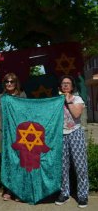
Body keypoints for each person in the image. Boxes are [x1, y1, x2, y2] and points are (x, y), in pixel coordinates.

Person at [55, 75, 89, 209]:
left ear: (72, 86)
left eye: (68, 83)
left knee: (80, 166)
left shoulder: (77, 98)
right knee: (63, 167)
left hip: (75, 133)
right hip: (61, 135)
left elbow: (76, 115)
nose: (65, 85)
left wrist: (68, 101)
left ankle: (82, 195)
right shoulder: (57, 100)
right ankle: (64, 193)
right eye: (63, 83)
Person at [0, 73, 26, 201]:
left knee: (19, 161)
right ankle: (8, 189)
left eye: (12, 81)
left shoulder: (22, 96)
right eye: (7, 82)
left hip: (19, 133)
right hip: (4, 132)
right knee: (7, 161)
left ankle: (18, 190)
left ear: (16, 83)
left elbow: (26, 113)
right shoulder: (1, 97)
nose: (9, 84)